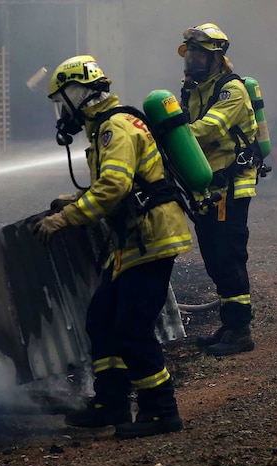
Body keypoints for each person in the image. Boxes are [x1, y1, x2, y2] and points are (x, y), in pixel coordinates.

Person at [33, 55, 192, 438]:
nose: (61, 112)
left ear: (78, 93)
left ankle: (161, 410)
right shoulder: (106, 128)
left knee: (131, 328)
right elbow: (117, 185)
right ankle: (111, 403)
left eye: (62, 101)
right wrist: (75, 199)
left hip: (152, 237)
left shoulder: (113, 129)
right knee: (102, 318)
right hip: (132, 240)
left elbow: (114, 188)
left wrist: (64, 218)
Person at [178, 23, 259, 356]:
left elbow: (209, 130)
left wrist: (170, 135)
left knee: (228, 254)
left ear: (216, 57)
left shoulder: (231, 89)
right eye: (190, 52)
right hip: (207, 184)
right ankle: (229, 325)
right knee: (213, 255)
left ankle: (240, 331)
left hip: (231, 184)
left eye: (199, 53)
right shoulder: (193, 89)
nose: (192, 59)